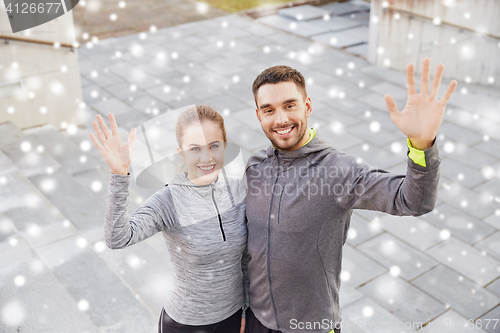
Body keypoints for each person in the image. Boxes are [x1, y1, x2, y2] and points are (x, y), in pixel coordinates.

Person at [243, 58, 457, 333]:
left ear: (307, 106)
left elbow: (413, 201)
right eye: (269, 110)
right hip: (255, 322)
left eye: (289, 105)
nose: (281, 119)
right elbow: (248, 250)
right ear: (259, 116)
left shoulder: (339, 170)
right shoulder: (255, 166)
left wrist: (421, 144)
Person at [89, 105, 248, 333]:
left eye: (214, 145)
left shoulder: (238, 191)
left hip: (233, 320)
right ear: (180, 151)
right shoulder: (169, 200)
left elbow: (247, 261)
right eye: (195, 149)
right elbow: (117, 238)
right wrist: (119, 173)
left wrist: (246, 311)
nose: (207, 157)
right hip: (186, 325)